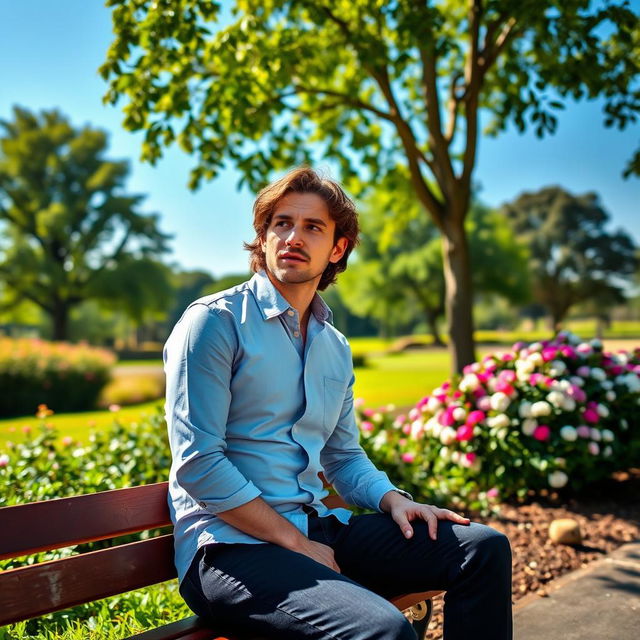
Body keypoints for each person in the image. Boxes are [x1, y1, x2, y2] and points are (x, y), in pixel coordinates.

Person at [164, 167, 513, 640]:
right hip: (230, 549)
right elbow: (199, 462)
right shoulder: (214, 323)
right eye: (281, 223)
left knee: (482, 548)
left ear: (337, 248)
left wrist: (393, 500)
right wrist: (294, 542)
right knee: (383, 631)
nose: (292, 237)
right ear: (263, 238)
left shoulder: (334, 346)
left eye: (313, 227)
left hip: (317, 528)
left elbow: (343, 456)